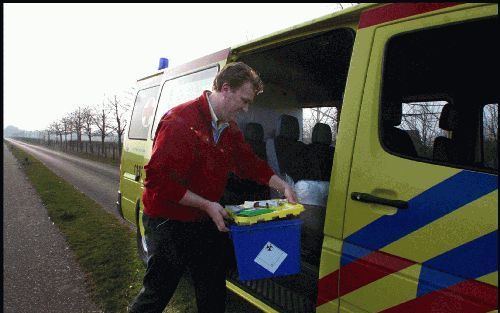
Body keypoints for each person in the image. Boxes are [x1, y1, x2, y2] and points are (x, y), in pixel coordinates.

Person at [129, 62, 297, 313]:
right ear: (225, 89)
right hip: (168, 221)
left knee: (213, 290)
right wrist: (206, 204)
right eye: (244, 100)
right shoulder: (179, 122)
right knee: (157, 293)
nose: (246, 108)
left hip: (204, 220)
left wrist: (282, 185)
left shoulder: (229, 127)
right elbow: (157, 180)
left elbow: (248, 163)